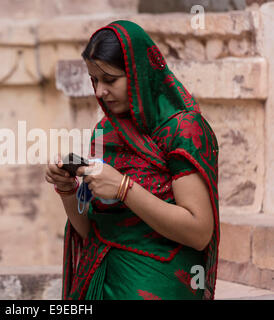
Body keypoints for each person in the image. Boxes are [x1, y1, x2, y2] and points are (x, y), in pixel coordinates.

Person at [45, 20, 220, 300]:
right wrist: (67, 189)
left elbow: (199, 232)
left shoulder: (183, 130)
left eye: (110, 80)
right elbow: (92, 230)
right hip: (100, 274)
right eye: (94, 80)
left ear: (139, 73)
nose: (100, 91)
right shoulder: (106, 131)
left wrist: (124, 189)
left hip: (159, 278)